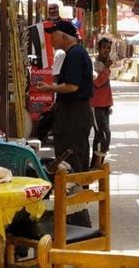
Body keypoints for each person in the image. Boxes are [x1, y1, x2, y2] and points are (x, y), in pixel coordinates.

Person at [37, 20, 94, 173]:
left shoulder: (75, 54)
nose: (51, 40)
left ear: (63, 36)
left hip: (74, 114)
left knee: (71, 157)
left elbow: (72, 86)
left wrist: (49, 88)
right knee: (73, 155)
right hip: (73, 112)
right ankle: (76, 192)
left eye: (53, 36)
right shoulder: (74, 53)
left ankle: (73, 192)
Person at [90, 38, 114, 170]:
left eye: (109, 48)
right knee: (104, 134)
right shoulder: (96, 64)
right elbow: (97, 82)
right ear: (99, 48)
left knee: (101, 135)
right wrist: (107, 69)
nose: (106, 50)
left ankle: (97, 163)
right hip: (96, 105)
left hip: (104, 105)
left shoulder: (104, 64)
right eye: (104, 47)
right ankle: (97, 164)